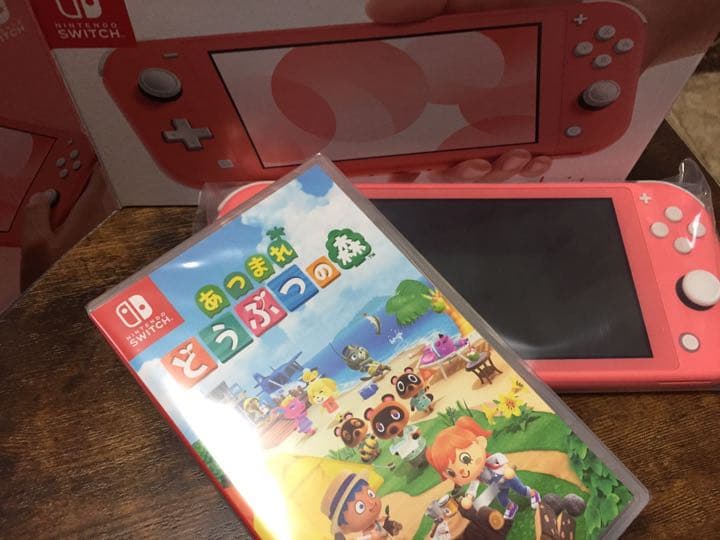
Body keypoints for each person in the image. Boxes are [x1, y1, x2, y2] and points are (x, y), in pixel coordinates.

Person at [426, 416, 540, 520]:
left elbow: (499, 457)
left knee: (521, 489)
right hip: (497, 486)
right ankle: (511, 507)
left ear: (480, 442)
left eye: (466, 459)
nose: (462, 471)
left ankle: (533, 494)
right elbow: (473, 488)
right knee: (503, 500)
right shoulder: (477, 477)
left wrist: (506, 469)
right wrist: (469, 497)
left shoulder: (489, 460)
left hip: (507, 478)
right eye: (451, 473)